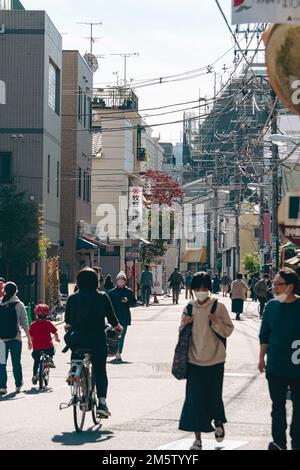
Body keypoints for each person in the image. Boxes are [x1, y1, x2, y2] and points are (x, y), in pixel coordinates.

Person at [178, 272, 234, 450]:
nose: (200, 292)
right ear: (192, 289)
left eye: (204, 288)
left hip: (216, 360)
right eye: (197, 288)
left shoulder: (218, 306)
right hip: (194, 361)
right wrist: (184, 324)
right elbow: (181, 332)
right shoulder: (188, 308)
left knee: (214, 397)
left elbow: (229, 330)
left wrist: (216, 322)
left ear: (209, 289)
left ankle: (218, 422)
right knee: (194, 401)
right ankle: (197, 439)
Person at [64, 268, 123, 418]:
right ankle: (102, 404)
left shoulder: (72, 298)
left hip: (77, 338)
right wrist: (118, 328)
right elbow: (112, 319)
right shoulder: (102, 297)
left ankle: (73, 370)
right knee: (100, 369)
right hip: (96, 339)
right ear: (96, 282)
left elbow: (68, 322)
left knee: (75, 349)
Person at [259, 269, 300, 451]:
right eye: (273, 284)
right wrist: (261, 359)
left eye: (278, 284)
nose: (274, 288)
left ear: (290, 287)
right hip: (275, 366)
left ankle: (296, 440)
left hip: (297, 367)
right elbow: (264, 335)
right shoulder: (270, 306)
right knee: (277, 406)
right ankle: (278, 442)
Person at [0, 282, 32, 396]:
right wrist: (29, 338)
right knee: (16, 362)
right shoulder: (19, 304)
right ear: (16, 291)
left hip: (1, 339)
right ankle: (18, 384)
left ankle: (2, 386)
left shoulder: (0, 302)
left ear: (4, 291)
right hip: (15, 338)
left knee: (1, 363)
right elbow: (24, 322)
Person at [108, 272, 137, 362]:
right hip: (114, 318)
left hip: (124, 317)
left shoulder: (128, 292)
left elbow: (134, 303)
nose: (120, 281)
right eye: (119, 280)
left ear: (125, 281)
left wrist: (128, 301)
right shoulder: (112, 292)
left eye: (122, 280)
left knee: (121, 336)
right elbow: (108, 306)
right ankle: (113, 351)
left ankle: (118, 353)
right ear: (116, 281)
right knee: (113, 336)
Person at [29, 304, 60, 385]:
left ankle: (35, 375)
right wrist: (57, 338)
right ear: (47, 314)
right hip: (48, 347)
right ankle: (50, 359)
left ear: (36, 314)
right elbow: (55, 333)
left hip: (37, 348)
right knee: (53, 347)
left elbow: (30, 336)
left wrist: (31, 342)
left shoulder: (33, 324)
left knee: (36, 361)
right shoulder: (48, 323)